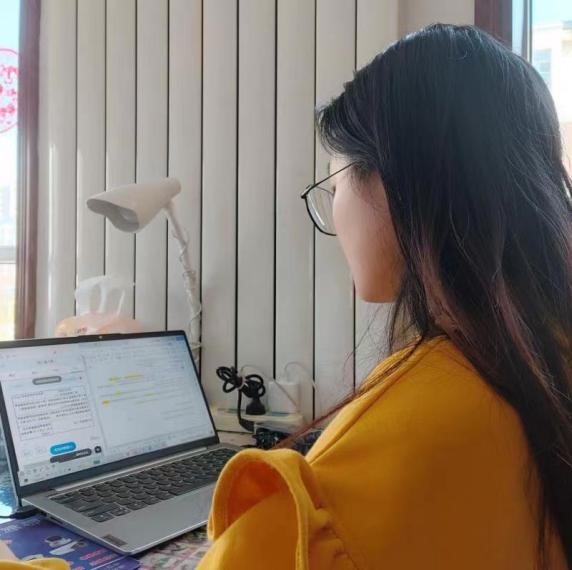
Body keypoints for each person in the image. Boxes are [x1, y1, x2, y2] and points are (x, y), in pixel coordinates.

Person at [2, 23, 570, 570]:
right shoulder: (541, 367)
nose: (333, 218)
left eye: (334, 183)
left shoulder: (386, 448)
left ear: (392, 184)